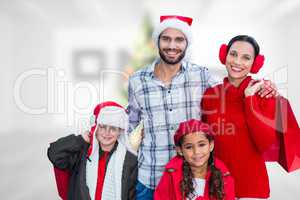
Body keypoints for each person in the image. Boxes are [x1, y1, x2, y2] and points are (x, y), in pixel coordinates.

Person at [127, 15, 276, 200]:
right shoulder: (137, 80)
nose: (172, 45)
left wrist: (265, 86)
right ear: (157, 42)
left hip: (190, 181)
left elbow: (233, 89)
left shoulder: (202, 76)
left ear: (186, 44)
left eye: (179, 39)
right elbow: (130, 123)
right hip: (149, 178)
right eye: (166, 38)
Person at [201, 35, 278, 199]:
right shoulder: (210, 95)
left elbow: (264, 144)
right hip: (217, 186)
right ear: (224, 55)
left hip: (251, 188)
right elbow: (204, 141)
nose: (237, 61)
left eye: (246, 58)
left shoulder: (264, 94)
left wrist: (249, 100)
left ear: (254, 64)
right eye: (233, 54)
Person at [47, 101, 137, 200]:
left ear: (120, 131)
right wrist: (80, 139)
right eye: (102, 126)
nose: (107, 133)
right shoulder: (81, 153)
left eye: (113, 128)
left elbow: (131, 195)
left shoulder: (130, 160)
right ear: (96, 128)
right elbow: (54, 153)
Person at [154, 119, 235, 200]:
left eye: (201, 145)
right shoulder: (171, 175)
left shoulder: (223, 176)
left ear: (211, 145)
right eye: (189, 147)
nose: (196, 152)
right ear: (180, 150)